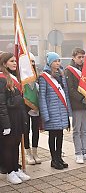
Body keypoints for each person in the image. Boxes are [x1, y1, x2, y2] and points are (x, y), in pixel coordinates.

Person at [0, 52, 30, 184]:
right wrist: (6, 124)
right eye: (11, 61)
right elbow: (2, 104)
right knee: (8, 146)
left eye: (15, 61)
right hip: (8, 119)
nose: (14, 63)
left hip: (17, 117)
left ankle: (16, 168)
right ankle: (9, 172)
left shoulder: (14, 77)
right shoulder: (1, 79)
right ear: (4, 63)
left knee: (16, 144)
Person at [39, 52, 71, 170]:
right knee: (53, 136)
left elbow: (65, 95)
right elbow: (42, 97)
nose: (57, 63)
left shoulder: (61, 75)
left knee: (60, 135)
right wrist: (45, 115)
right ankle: (54, 159)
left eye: (59, 61)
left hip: (62, 111)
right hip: (51, 112)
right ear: (49, 62)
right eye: (55, 61)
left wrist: (68, 112)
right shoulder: (44, 77)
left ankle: (59, 157)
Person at [65, 48, 86, 164]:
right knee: (77, 130)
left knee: (85, 130)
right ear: (73, 57)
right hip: (77, 104)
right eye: (79, 57)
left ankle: (85, 151)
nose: (81, 59)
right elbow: (71, 89)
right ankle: (78, 153)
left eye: (83, 57)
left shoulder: (85, 69)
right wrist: (82, 98)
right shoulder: (69, 70)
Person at [24, 52, 41, 165]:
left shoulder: (37, 76)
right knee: (26, 131)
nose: (31, 63)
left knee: (36, 130)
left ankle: (35, 152)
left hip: (37, 107)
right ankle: (28, 153)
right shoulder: (21, 77)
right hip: (25, 108)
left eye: (33, 61)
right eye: (29, 61)